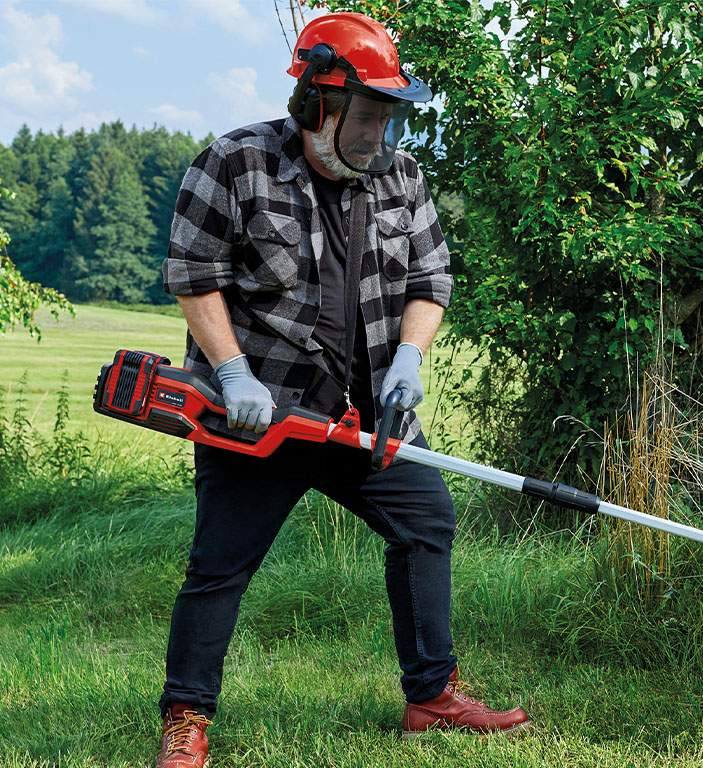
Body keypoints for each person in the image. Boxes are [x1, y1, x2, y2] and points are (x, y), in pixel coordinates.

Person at [153, 12, 530, 767]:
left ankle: (430, 697)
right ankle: (187, 716)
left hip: (369, 415)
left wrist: (409, 360)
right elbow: (195, 278)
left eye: (388, 115)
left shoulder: (402, 174)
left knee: (427, 522)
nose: (377, 133)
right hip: (261, 412)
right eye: (366, 114)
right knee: (221, 562)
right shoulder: (235, 164)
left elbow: (431, 281)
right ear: (315, 104)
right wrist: (230, 374)